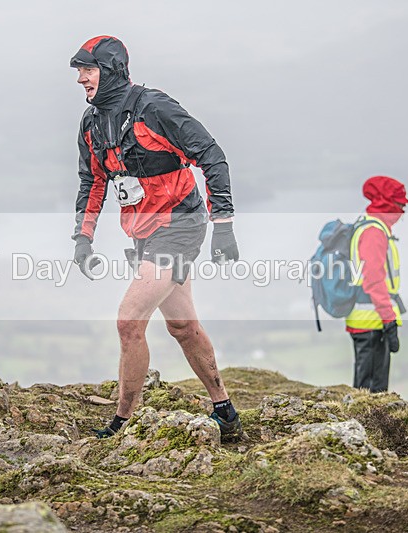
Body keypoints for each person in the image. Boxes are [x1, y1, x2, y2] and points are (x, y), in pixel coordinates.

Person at [69, 35, 243, 441]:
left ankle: (122, 421)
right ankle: (226, 411)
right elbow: (92, 181)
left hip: (181, 224)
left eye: (86, 70)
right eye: (78, 71)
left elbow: (212, 156)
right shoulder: (92, 124)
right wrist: (83, 238)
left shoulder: (154, 107)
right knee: (183, 326)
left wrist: (224, 226)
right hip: (144, 233)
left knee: (129, 320)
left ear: (111, 70)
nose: (79, 79)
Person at [346, 175, 408, 393]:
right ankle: (365, 427)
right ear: (389, 204)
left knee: (367, 388)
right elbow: (374, 280)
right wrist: (388, 319)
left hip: (368, 320)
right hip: (371, 321)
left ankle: (363, 426)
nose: (403, 212)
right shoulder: (374, 233)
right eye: (401, 205)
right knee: (371, 391)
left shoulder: (370, 227)